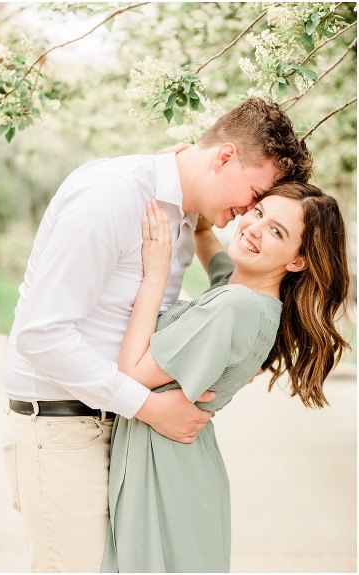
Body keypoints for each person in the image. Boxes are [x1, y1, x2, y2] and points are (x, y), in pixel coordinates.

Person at [0, 97, 313, 572]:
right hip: (63, 427)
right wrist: (147, 406)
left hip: (121, 430)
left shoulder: (186, 215)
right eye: (254, 195)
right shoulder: (115, 195)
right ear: (224, 157)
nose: (250, 211)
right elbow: (40, 335)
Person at [102, 184, 350, 572]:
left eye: (277, 232)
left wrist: (156, 273)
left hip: (166, 468)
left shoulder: (234, 307)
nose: (254, 228)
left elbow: (131, 373)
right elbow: (204, 234)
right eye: (258, 212)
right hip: (178, 459)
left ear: (299, 261)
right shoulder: (243, 291)